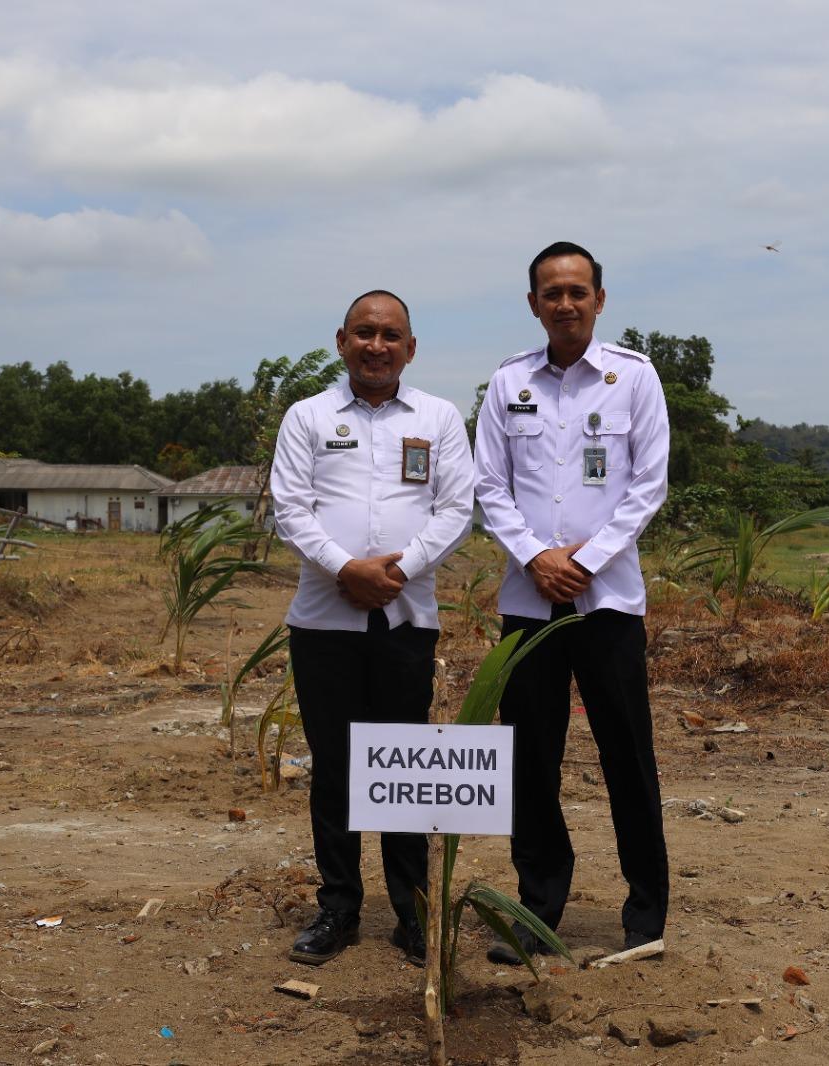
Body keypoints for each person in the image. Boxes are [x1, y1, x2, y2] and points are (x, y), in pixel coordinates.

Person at [472, 242, 671, 961]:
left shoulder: (634, 378)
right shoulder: (508, 383)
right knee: (530, 759)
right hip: (529, 605)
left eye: (577, 291)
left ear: (599, 299)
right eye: (551, 293)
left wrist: (582, 562)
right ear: (533, 304)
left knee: (627, 754)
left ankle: (646, 912)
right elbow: (489, 485)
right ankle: (537, 911)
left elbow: (647, 486)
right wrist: (535, 557)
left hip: (608, 602)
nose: (565, 303)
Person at [270, 290, 474, 966]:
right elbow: (291, 508)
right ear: (341, 341)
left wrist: (395, 573)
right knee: (334, 768)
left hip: (406, 619)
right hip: (323, 621)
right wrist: (344, 569)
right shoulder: (308, 417)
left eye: (390, 335)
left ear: (410, 348)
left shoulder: (439, 418)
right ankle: (339, 908)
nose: (376, 346)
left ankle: (411, 911)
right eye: (364, 333)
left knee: (406, 766)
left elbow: (455, 510)